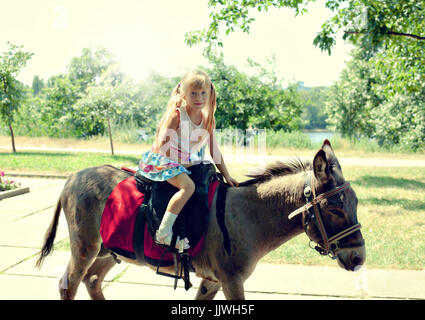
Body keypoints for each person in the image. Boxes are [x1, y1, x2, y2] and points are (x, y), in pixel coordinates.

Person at [137, 69, 238, 248]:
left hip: (183, 161)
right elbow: (162, 146)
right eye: (193, 93)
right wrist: (183, 162)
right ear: (184, 94)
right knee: (188, 186)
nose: (199, 97)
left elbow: (214, 150)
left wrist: (227, 175)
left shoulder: (208, 120)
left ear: (209, 94)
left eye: (203, 93)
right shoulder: (177, 115)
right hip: (163, 160)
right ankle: (164, 232)